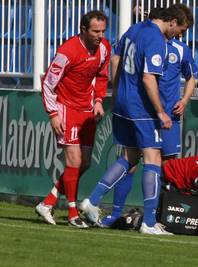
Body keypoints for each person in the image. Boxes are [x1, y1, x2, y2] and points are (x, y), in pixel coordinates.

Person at [79, 4, 194, 235]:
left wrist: (119, 90)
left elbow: (115, 60)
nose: (179, 34)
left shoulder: (135, 29)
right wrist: (160, 111)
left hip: (122, 101)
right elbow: (148, 78)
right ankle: (149, 222)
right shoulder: (156, 40)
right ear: (171, 21)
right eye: (179, 29)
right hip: (141, 107)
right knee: (153, 158)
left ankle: (92, 200)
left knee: (130, 157)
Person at [35, 11, 110, 228]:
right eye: (96, 31)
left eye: (103, 31)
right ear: (83, 30)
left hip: (87, 111)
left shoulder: (104, 48)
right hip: (66, 108)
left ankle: (48, 203)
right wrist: (53, 114)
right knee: (74, 161)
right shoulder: (67, 52)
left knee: (84, 163)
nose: (100, 35)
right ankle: (72, 213)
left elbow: (102, 76)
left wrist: (98, 101)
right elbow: (48, 83)